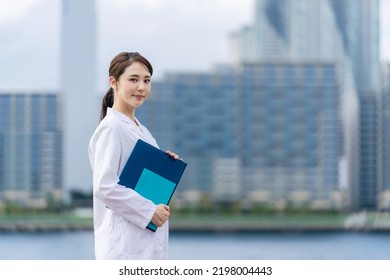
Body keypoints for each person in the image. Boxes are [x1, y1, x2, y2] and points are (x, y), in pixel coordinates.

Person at [88, 52, 180, 260]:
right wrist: (149, 211)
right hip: (124, 248)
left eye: (147, 81)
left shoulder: (141, 130)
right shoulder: (112, 128)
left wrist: (165, 165)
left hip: (144, 243)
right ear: (114, 82)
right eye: (133, 79)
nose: (141, 87)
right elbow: (105, 187)